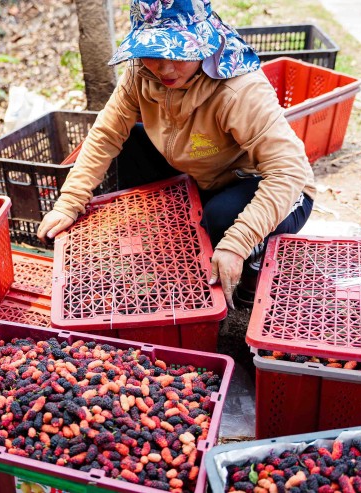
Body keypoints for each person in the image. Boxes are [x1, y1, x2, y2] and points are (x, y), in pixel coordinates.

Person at [37, 0, 315, 309]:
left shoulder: (240, 89)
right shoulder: (141, 74)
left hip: (269, 186)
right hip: (202, 173)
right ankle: (161, 235)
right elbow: (106, 133)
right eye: (154, 53)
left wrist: (238, 243)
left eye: (177, 53)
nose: (164, 68)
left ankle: (253, 263)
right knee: (130, 143)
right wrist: (69, 202)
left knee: (223, 219)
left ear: (204, 41)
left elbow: (288, 173)